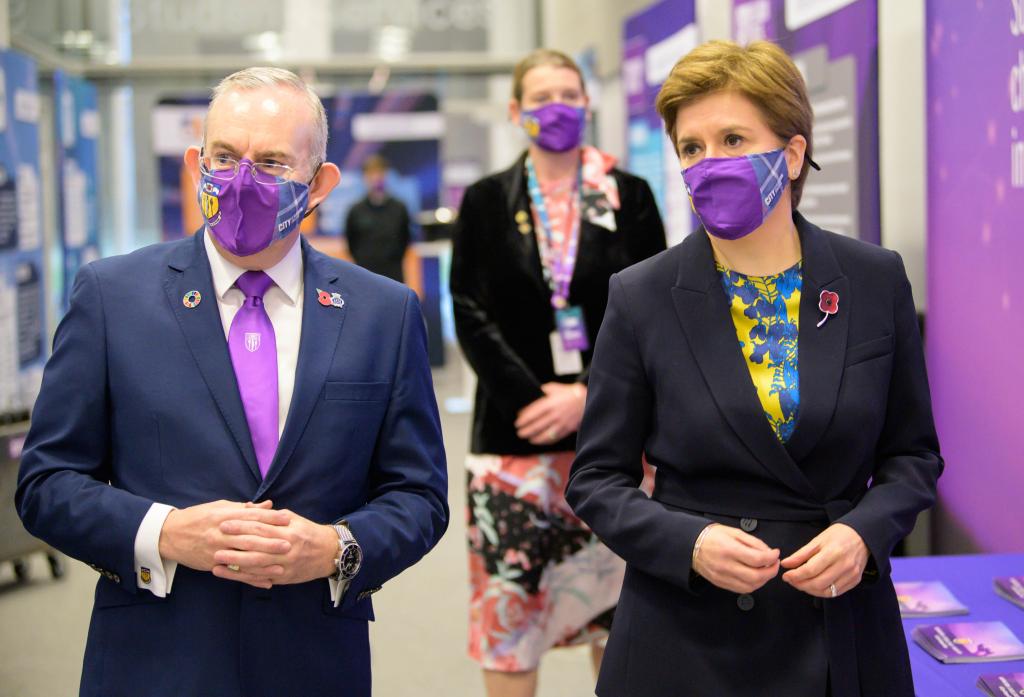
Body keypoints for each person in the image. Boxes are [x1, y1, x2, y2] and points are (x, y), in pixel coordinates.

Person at [16, 67, 448, 697]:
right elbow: (47, 484)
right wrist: (164, 532)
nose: (242, 180)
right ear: (197, 164)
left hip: (315, 662)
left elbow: (419, 495)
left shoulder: (382, 313)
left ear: (321, 183)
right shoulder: (112, 297)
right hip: (156, 663)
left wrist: (335, 548)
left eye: (272, 163)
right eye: (224, 156)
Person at [565, 40, 943, 697]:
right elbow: (597, 478)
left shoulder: (873, 280)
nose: (709, 164)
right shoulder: (641, 295)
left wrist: (864, 534)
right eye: (692, 147)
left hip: (837, 622)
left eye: (734, 138)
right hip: (686, 636)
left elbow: (913, 456)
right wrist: (686, 541)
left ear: (792, 153)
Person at [451, 48, 666, 697]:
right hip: (513, 444)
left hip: (613, 441)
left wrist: (586, 395)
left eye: (569, 94)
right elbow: (467, 307)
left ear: (589, 102)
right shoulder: (488, 201)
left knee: (621, 619)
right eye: (541, 98)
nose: (558, 108)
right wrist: (533, 394)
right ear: (517, 113)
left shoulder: (627, 196)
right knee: (511, 619)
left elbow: (653, 308)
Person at [344, 154, 413, 283]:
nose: (375, 178)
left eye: (379, 172)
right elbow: (351, 243)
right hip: (365, 276)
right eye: (371, 173)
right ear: (365, 177)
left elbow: (405, 239)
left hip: (393, 276)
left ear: (386, 175)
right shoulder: (356, 211)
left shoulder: (399, 208)